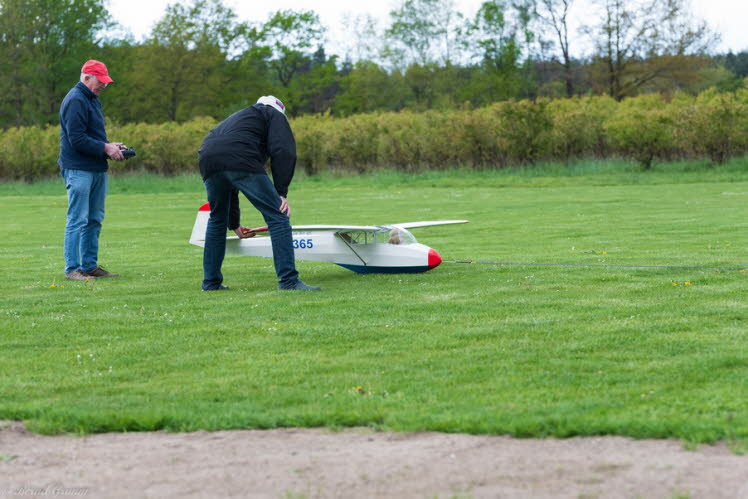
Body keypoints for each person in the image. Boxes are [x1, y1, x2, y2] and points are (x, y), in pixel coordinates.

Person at [197, 96, 321, 291]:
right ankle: (289, 281)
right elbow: (283, 150)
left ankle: (211, 283)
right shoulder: (273, 114)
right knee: (278, 216)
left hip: (208, 158)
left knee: (217, 219)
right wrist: (281, 192)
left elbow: (231, 183)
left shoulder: (241, 118)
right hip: (238, 157)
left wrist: (234, 224)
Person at [59, 60, 127, 281]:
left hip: (96, 167)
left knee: (94, 218)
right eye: (100, 81)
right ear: (86, 77)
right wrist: (104, 147)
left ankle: (89, 266)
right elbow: (76, 139)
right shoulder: (76, 99)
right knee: (77, 219)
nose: (103, 86)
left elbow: (92, 137)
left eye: (106, 82)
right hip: (78, 168)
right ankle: (72, 269)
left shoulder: (92, 99)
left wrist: (110, 145)